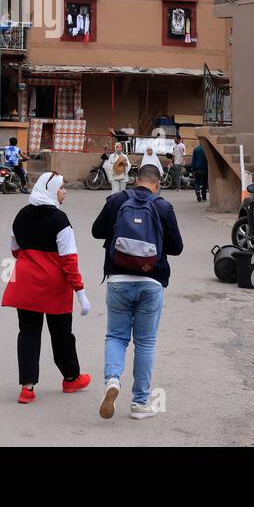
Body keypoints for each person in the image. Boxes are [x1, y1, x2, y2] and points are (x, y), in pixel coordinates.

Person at [91, 163, 183, 420]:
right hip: (151, 281)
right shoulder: (163, 206)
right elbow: (176, 248)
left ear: (136, 180)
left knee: (116, 337)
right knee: (145, 342)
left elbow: (96, 231)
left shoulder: (116, 200)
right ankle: (140, 403)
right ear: (158, 183)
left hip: (119, 279)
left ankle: (112, 380)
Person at [2, 172, 91, 403]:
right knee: (61, 333)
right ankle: (71, 378)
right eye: (62, 188)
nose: (65, 191)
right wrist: (80, 292)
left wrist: (30, 260)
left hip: (24, 283)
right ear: (51, 191)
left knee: (28, 332)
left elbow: (14, 248)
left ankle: (27, 388)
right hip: (54, 286)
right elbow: (69, 260)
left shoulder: (21, 215)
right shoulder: (60, 220)